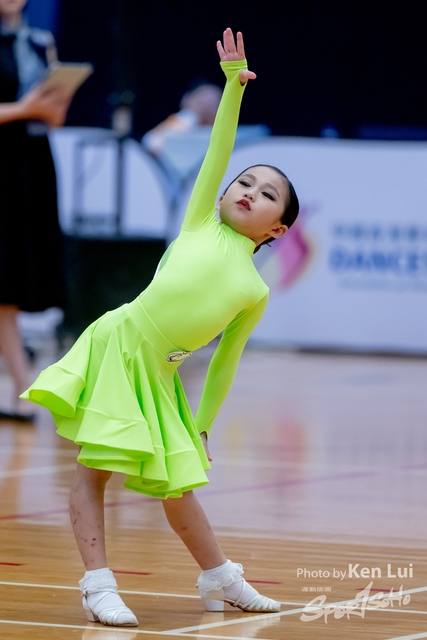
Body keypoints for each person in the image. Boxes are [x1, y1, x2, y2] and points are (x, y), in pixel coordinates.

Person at [21, 28, 299, 627]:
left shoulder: (255, 291)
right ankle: (97, 583)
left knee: (178, 483)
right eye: (245, 182)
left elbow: (224, 362)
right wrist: (233, 87)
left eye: (267, 193)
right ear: (221, 194)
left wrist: (202, 426)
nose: (249, 191)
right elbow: (219, 148)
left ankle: (219, 576)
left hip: (162, 376)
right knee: (94, 468)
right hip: (120, 345)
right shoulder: (199, 222)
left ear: (277, 230)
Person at [0, 0, 70, 421]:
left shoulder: (40, 41)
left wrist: (52, 103)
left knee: (11, 281)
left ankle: (21, 385)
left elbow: (54, 117)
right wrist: (27, 108)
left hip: (30, 166)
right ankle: (22, 383)